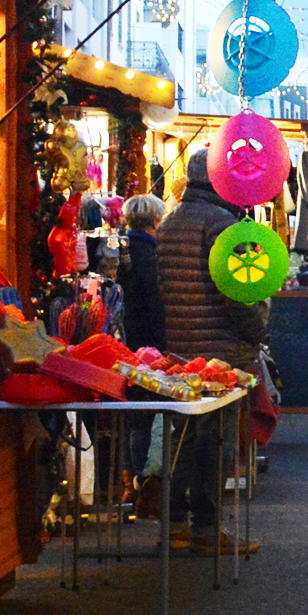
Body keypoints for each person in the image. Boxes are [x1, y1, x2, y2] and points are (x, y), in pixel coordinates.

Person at [156, 148, 265, 554]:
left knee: (182, 436)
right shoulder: (222, 224)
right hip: (221, 351)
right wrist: (257, 330)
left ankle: (175, 525)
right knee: (215, 443)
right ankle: (206, 529)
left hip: (181, 348)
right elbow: (238, 293)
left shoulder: (170, 222)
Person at [118, 192, 167, 513]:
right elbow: (155, 304)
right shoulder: (150, 257)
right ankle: (142, 482)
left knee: (134, 414)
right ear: (154, 222)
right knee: (147, 413)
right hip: (148, 344)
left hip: (125, 343)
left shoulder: (121, 251)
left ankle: (132, 482)